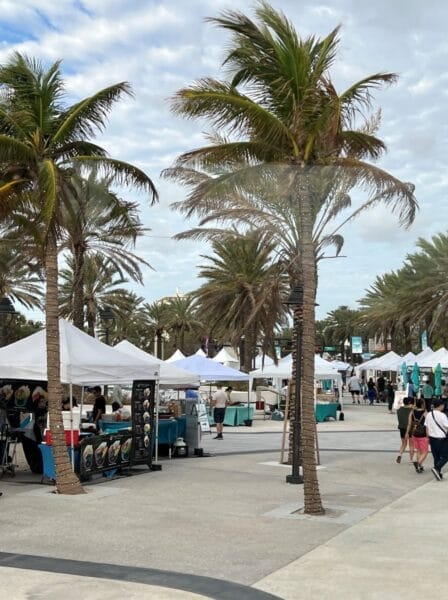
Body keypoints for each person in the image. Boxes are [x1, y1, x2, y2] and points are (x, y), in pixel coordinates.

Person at [425, 398, 448, 481]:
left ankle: (438, 473)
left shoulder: (429, 414)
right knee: (446, 456)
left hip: (432, 439)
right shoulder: (442, 415)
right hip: (441, 439)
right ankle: (436, 468)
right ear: (440, 405)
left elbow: (426, 428)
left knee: (436, 457)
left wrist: (428, 438)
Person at [406, 398, 428, 473]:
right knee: (425, 451)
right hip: (423, 434)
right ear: (422, 404)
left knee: (418, 450)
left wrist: (407, 433)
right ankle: (418, 463)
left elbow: (409, 424)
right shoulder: (425, 412)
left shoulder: (412, 412)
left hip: (414, 434)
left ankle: (420, 466)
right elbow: (428, 424)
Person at [396, 397, 414, 464]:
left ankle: (399, 455)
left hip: (402, 428)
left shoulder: (399, 409)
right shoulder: (412, 410)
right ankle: (411, 460)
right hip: (411, 428)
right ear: (409, 402)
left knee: (404, 444)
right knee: (411, 445)